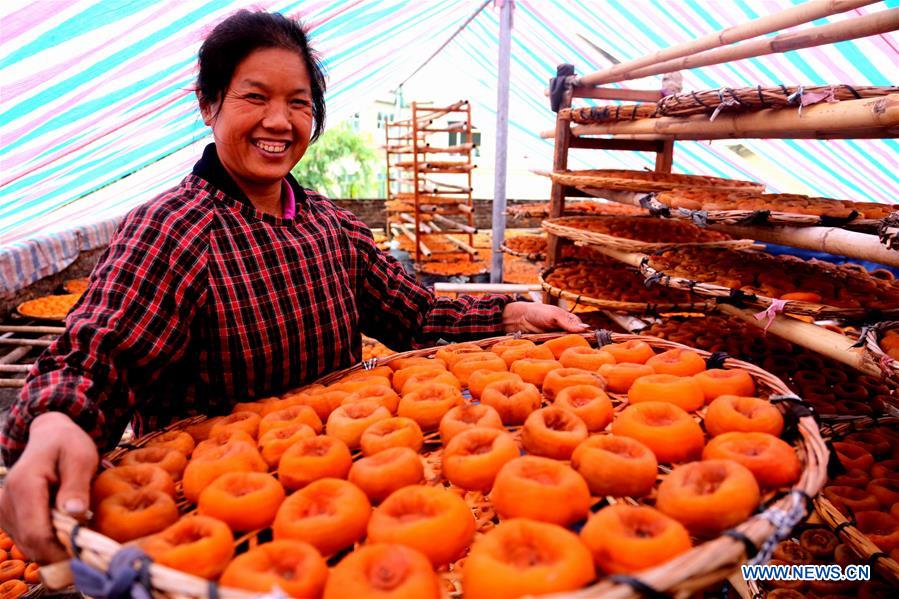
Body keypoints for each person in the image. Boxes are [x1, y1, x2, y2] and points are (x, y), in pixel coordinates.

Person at [0, 10, 587, 563]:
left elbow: (415, 316)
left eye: (298, 104)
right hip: (223, 526)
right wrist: (57, 421)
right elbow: (100, 354)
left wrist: (511, 315)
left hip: (343, 494)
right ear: (209, 104)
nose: (279, 121)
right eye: (255, 97)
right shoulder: (173, 230)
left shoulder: (328, 223)